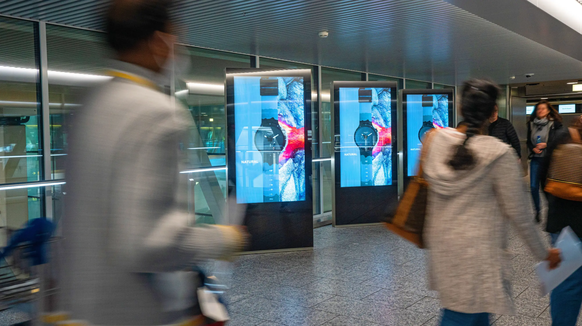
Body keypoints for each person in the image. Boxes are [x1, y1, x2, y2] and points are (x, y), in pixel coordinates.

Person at [59, 1, 247, 325]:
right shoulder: (156, 112)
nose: (178, 50)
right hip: (136, 311)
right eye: (177, 39)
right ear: (159, 42)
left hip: (82, 308)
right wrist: (224, 238)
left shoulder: (89, 104)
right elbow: (149, 242)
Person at [423, 79, 561, 326]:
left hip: (443, 250)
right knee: (462, 314)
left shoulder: (436, 142)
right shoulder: (498, 153)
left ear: (461, 109)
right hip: (476, 257)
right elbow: (519, 215)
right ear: (491, 113)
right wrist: (544, 254)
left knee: (469, 313)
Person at [546, 115, 582, 326]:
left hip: (562, 221)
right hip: (566, 222)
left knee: (566, 282)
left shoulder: (561, 136)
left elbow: (543, 176)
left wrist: (555, 203)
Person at [527, 100, 563, 223]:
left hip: (548, 160)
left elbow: (559, 141)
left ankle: (552, 212)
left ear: (548, 111)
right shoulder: (531, 124)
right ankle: (537, 211)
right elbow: (528, 141)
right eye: (538, 109)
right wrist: (533, 148)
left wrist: (546, 145)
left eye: (543, 108)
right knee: (533, 187)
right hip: (536, 159)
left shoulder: (555, 125)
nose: (540, 111)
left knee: (547, 188)